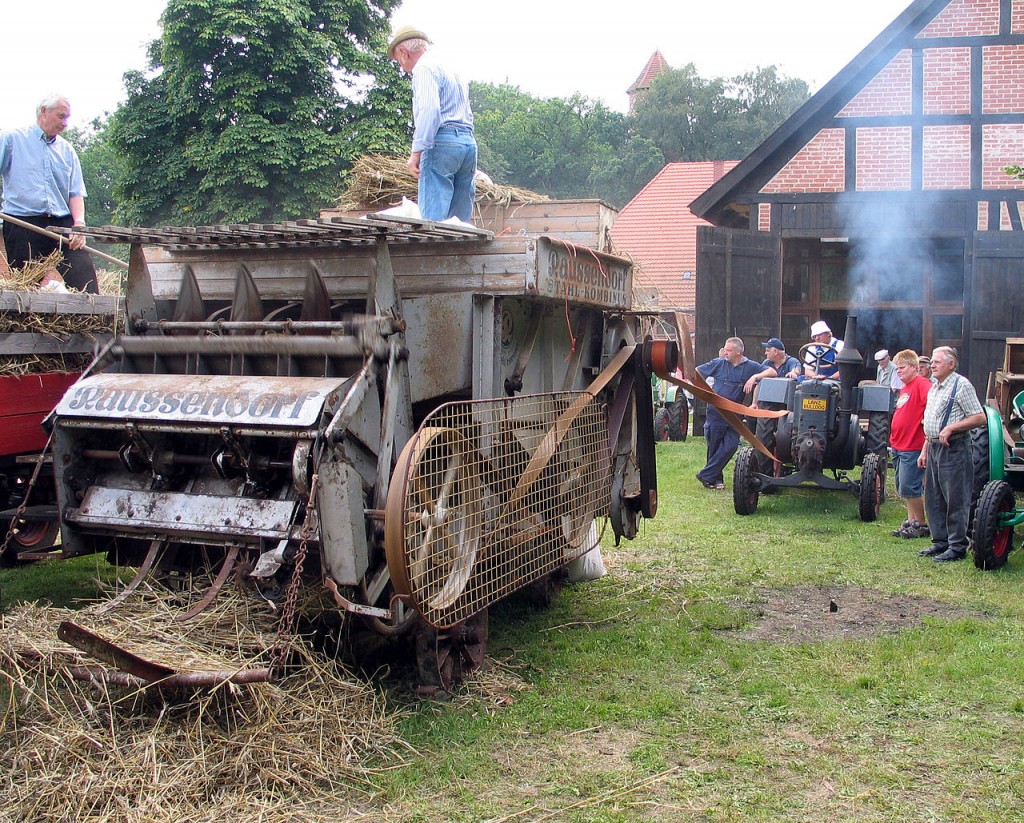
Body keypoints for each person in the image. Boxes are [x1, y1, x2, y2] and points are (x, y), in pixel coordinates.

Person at [0, 95, 98, 293]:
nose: (65, 124)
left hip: (62, 225)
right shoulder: (12, 140)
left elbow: (75, 192)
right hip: (22, 223)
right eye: (61, 116)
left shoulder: (67, 150)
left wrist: (78, 224)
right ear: (44, 111)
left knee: (86, 284)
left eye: (68, 118)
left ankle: (98, 320)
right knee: (26, 289)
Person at [387, 27, 477, 223]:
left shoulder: (424, 68)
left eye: (398, 61)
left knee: (432, 225)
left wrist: (416, 152)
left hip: (442, 144)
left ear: (404, 53)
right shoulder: (451, 66)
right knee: (459, 225)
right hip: (468, 144)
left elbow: (430, 111)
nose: (402, 68)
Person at [917, 347, 986, 562]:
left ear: (951, 364)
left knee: (956, 499)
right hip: (935, 447)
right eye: (932, 362)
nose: (933, 365)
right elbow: (931, 423)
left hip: (954, 448)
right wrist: (925, 449)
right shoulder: (934, 388)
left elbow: (979, 417)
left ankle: (957, 546)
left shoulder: (961, 385)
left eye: (937, 362)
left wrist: (952, 428)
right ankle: (940, 542)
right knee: (933, 497)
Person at [695, 337, 763, 490]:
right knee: (715, 446)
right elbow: (697, 372)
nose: (725, 352)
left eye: (728, 350)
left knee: (731, 446)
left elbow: (772, 371)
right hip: (716, 412)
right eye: (725, 349)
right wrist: (707, 392)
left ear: (738, 352)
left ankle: (706, 475)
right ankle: (715, 480)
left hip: (735, 414)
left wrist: (754, 377)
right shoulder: (719, 363)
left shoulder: (750, 366)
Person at [888, 350, 931, 539]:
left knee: (909, 485)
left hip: (913, 445)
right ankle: (910, 520)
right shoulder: (905, 388)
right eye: (897, 368)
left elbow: (933, 408)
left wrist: (925, 423)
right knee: (903, 486)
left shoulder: (922, 384)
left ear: (914, 367)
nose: (898, 371)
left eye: (902, 368)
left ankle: (920, 523)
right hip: (899, 445)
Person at [745, 337, 801, 405]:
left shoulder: (791, 361)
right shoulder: (766, 363)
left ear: (775, 352)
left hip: (786, 404)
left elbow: (796, 370)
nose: (765, 353)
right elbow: (759, 385)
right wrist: (754, 404)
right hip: (768, 403)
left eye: (767, 351)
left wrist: (793, 373)